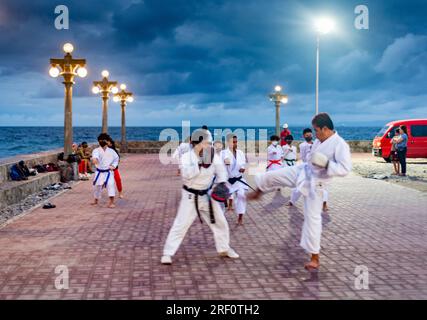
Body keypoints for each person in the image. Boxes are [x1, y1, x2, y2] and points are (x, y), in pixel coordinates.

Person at [248, 113, 352, 271]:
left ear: (325, 129)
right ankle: (259, 189)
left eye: (316, 130)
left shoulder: (340, 144)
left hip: (316, 184)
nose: (314, 134)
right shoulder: (319, 140)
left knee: (312, 219)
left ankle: (315, 257)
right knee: (274, 174)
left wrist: (326, 164)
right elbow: (311, 158)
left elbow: (345, 169)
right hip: (303, 170)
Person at [161, 129, 239, 265]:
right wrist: (200, 163)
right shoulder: (186, 157)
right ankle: (168, 253)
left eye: (210, 143)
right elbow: (187, 175)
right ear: (198, 143)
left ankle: (224, 249)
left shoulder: (213, 155)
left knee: (220, 222)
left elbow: (221, 171)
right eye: (207, 143)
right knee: (180, 225)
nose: (210, 145)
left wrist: (221, 185)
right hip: (190, 197)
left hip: (207, 196)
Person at [289, 128, 329, 211]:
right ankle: (292, 201)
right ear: (304, 136)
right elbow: (304, 157)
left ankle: (324, 204)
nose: (309, 136)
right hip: (307, 168)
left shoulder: (317, 143)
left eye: (310, 135)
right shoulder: (302, 145)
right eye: (307, 135)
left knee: (321, 187)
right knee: (301, 186)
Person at [221, 134, 248, 226]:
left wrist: (242, 168)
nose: (235, 144)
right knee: (220, 200)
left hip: (238, 180)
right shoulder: (224, 153)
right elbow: (224, 161)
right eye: (233, 142)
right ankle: (219, 217)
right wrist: (226, 162)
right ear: (228, 142)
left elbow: (243, 163)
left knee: (241, 195)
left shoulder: (240, 153)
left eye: (236, 142)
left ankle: (240, 217)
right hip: (227, 181)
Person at [91, 133, 119, 209]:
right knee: (97, 186)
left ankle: (111, 202)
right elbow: (95, 157)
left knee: (110, 185)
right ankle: (96, 200)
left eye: (103, 140)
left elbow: (116, 159)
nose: (102, 141)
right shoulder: (96, 150)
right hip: (99, 172)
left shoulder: (112, 151)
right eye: (100, 140)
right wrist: (95, 160)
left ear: (107, 141)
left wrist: (113, 166)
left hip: (108, 172)